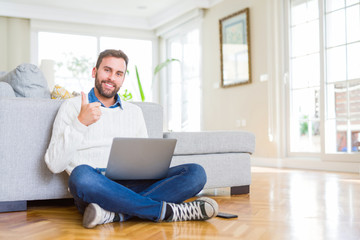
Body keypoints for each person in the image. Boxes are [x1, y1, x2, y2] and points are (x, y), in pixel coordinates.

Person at [44, 49, 218, 229]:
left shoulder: (134, 112)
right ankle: (166, 212)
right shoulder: (71, 107)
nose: (112, 78)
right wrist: (80, 123)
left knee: (196, 172)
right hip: (97, 187)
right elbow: (54, 164)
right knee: (80, 175)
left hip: (133, 185)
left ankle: (114, 215)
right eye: (107, 70)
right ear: (94, 72)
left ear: (123, 78)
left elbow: (145, 160)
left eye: (118, 73)